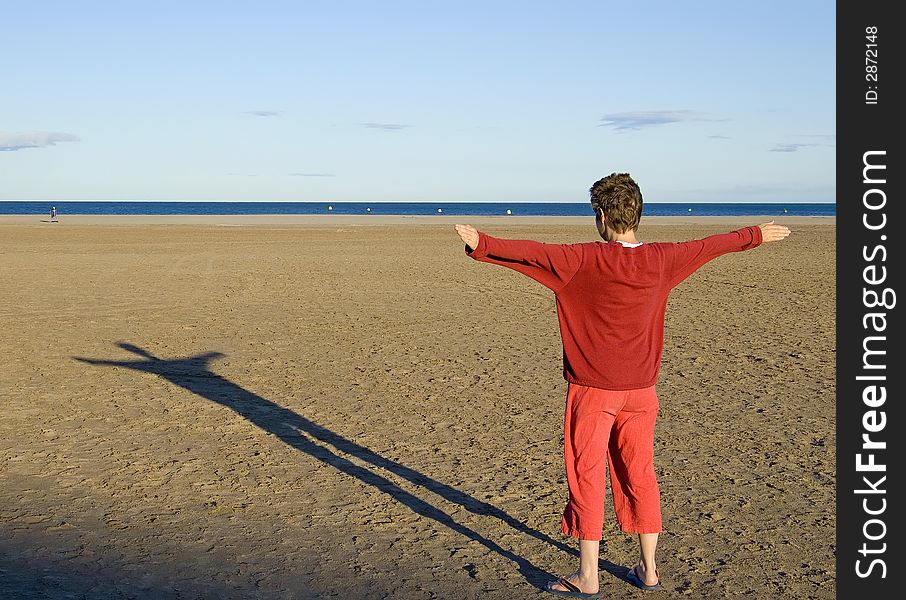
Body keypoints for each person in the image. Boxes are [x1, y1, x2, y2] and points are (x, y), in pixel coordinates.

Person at [453, 172, 790, 598]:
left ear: (600, 215)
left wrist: (482, 243)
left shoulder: (581, 260)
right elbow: (709, 246)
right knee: (640, 474)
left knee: (587, 476)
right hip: (642, 392)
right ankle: (648, 569)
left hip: (593, 391)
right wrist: (754, 234)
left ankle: (588, 576)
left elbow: (532, 254)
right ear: (638, 213)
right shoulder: (663, 258)